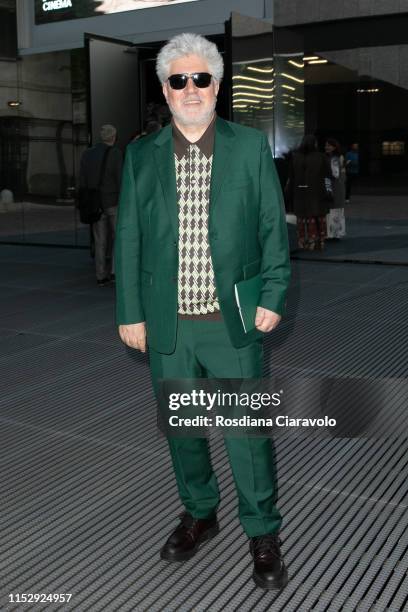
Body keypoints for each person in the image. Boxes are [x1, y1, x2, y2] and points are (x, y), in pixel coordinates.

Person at [115, 33, 290, 591]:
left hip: (232, 319)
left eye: (201, 78)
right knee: (184, 430)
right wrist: (131, 312)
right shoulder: (142, 154)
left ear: (217, 84)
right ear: (164, 90)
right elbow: (129, 238)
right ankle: (201, 513)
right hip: (168, 325)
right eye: (178, 79)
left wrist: (273, 294)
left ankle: (262, 531)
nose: (191, 89)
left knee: (248, 435)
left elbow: (270, 225)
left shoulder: (248, 147)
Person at [79, 124, 123, 286]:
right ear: (113, 137)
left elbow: (82, 180)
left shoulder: (87, 154)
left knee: (100, 241)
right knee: (118, 238)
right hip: (113, 202)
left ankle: (100, 275)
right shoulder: (116, 154)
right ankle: (114, 272)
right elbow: (120, 180)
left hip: (95, 203)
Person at [286, 134, 329, 250]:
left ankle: (303, 242)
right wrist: (329, 192)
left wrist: (288, 194)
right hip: (317, 193)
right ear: (315, 144)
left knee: (302, 219)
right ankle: (317, 242)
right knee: (317, 217)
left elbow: (291, 177)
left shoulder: (295, 157)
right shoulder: (321, 157)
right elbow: (327, 176)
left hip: (299, 193)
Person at [325, 138, 346, 240]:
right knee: (337, 211)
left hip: (334, 187)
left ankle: (332, 233)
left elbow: (335, 174)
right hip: (339, 187)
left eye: (329, 145)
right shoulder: (337, 158)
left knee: (333, 210)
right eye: (326, 145)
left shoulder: (333, 159)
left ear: (334, 147)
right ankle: (337, 232)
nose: (326, 147)